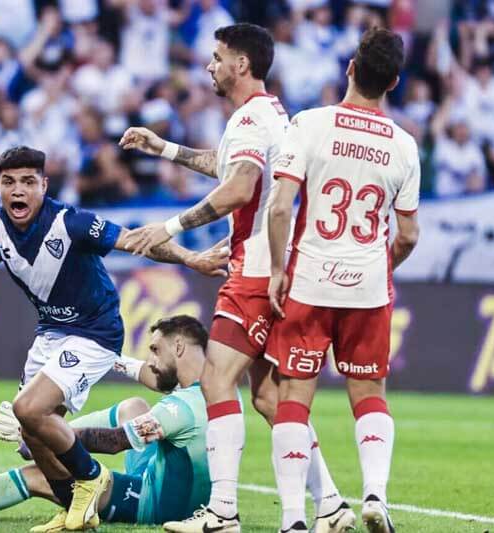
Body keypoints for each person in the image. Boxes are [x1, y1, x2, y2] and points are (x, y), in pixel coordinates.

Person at [119, 23, 353, 533]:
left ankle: (223, 511)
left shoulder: (250, 120)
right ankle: (331, 504)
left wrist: (171, 225)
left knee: (214, 379)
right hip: (283, 269)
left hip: (252, 271)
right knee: (269, 399)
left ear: (241, 64)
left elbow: (240, 188)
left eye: (217, 57)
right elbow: (230, 168)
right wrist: (166, 149)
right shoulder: (270, 115)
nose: (209, 65)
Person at [0, 146, 226, 531]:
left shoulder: (70, 222)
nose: (17, 191)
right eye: (8, 183)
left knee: (28, 409)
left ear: (43, 185)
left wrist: (191, 258)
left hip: (95, 330)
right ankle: (75, 506)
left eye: (27, 182)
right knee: (32, 432)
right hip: (51, 333)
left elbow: (135, 240)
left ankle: (90, 478)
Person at [265, 28, 420, 533]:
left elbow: (281, 206)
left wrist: (277, 268)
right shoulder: (403, 144)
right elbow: (408, 235)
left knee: (293, 397)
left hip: (309, 279)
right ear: (393, 81)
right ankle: (375, 494)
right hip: (368, 286)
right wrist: (381, 265)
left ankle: (292, 520)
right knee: (369, 392)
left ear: (350, 67)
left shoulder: (310, 124)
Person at [0, 315, 214, 529]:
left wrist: (43, 428)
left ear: (179, 346)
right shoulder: (213, 391)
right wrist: (109, 358)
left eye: (156, 351)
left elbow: (113, 444)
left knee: (38, 476)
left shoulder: (181, 408)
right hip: (175, 486)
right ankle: (37, 440)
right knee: (134, 405)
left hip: (156, 506)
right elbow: (155, 380)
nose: (151, 361)